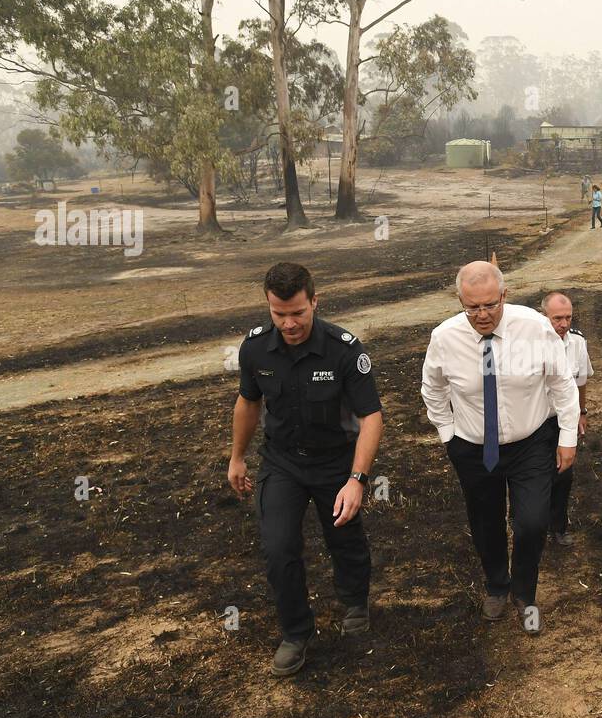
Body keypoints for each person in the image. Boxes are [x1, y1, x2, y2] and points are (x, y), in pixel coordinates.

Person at [228, 262, 384, 677]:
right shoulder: (256, 348)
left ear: (315, 301)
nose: (289, 323)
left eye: (298, 312)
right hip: (282, 463)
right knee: (278, 548)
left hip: (336, 461)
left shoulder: (345, 349)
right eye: (279, 314)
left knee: (344, 537)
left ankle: (354, 600)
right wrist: (237, 456)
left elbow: (371, 418)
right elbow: (248, 402)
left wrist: (357, 480)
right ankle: (296, 633)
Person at [421, 262, 580, 634]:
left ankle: (525, 593)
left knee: (532, 522)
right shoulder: (444, 338)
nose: (482, 315)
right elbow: (433, 389)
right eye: (472, 307)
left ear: (504, 296)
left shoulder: (536, 328)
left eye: (490, 305)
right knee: (485, 521)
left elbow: (561, 383)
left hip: (532, 443)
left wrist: (567, 437)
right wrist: (449, 435)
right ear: (460, 301)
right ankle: (496, 584)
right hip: (474, 447)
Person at [541, 291, 594, 547]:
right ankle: (524, 523)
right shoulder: (531, 344)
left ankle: (558, 528)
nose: (563, 324)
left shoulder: (577, 344)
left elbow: (581, 382)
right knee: (536, 476)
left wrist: (582, 413)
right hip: (536, 421)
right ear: (544, 317)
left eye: (568, 318)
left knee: (564, 475)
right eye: (557, 318)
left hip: (564, 419)